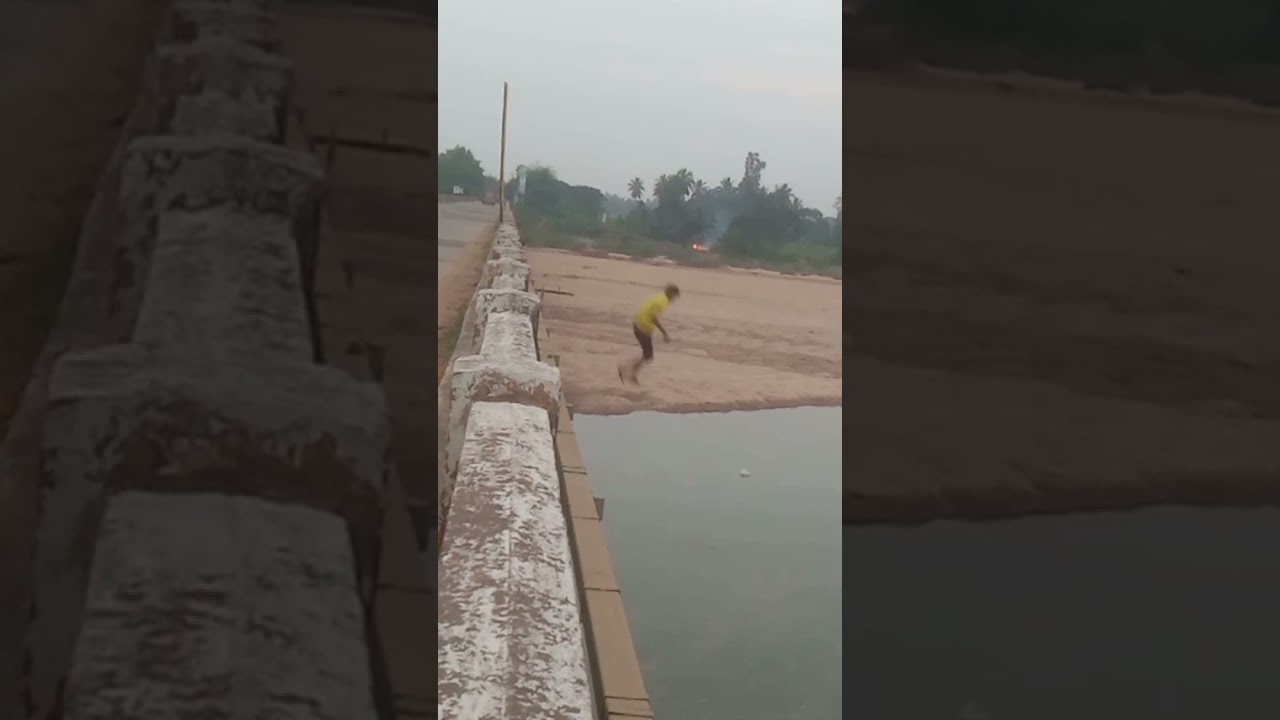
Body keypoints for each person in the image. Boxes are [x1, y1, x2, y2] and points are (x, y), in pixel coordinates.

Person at [619, 283, 680, 383]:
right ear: (671, 293)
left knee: (647, 355)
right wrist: (664, 333)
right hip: (642, 327)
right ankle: (625, 369)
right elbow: (653, 317)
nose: (674, 299)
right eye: (675, 296)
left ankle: (631, 374)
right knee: (648, 356)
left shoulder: (660, 297)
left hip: (639, 324)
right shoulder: (662, 302)